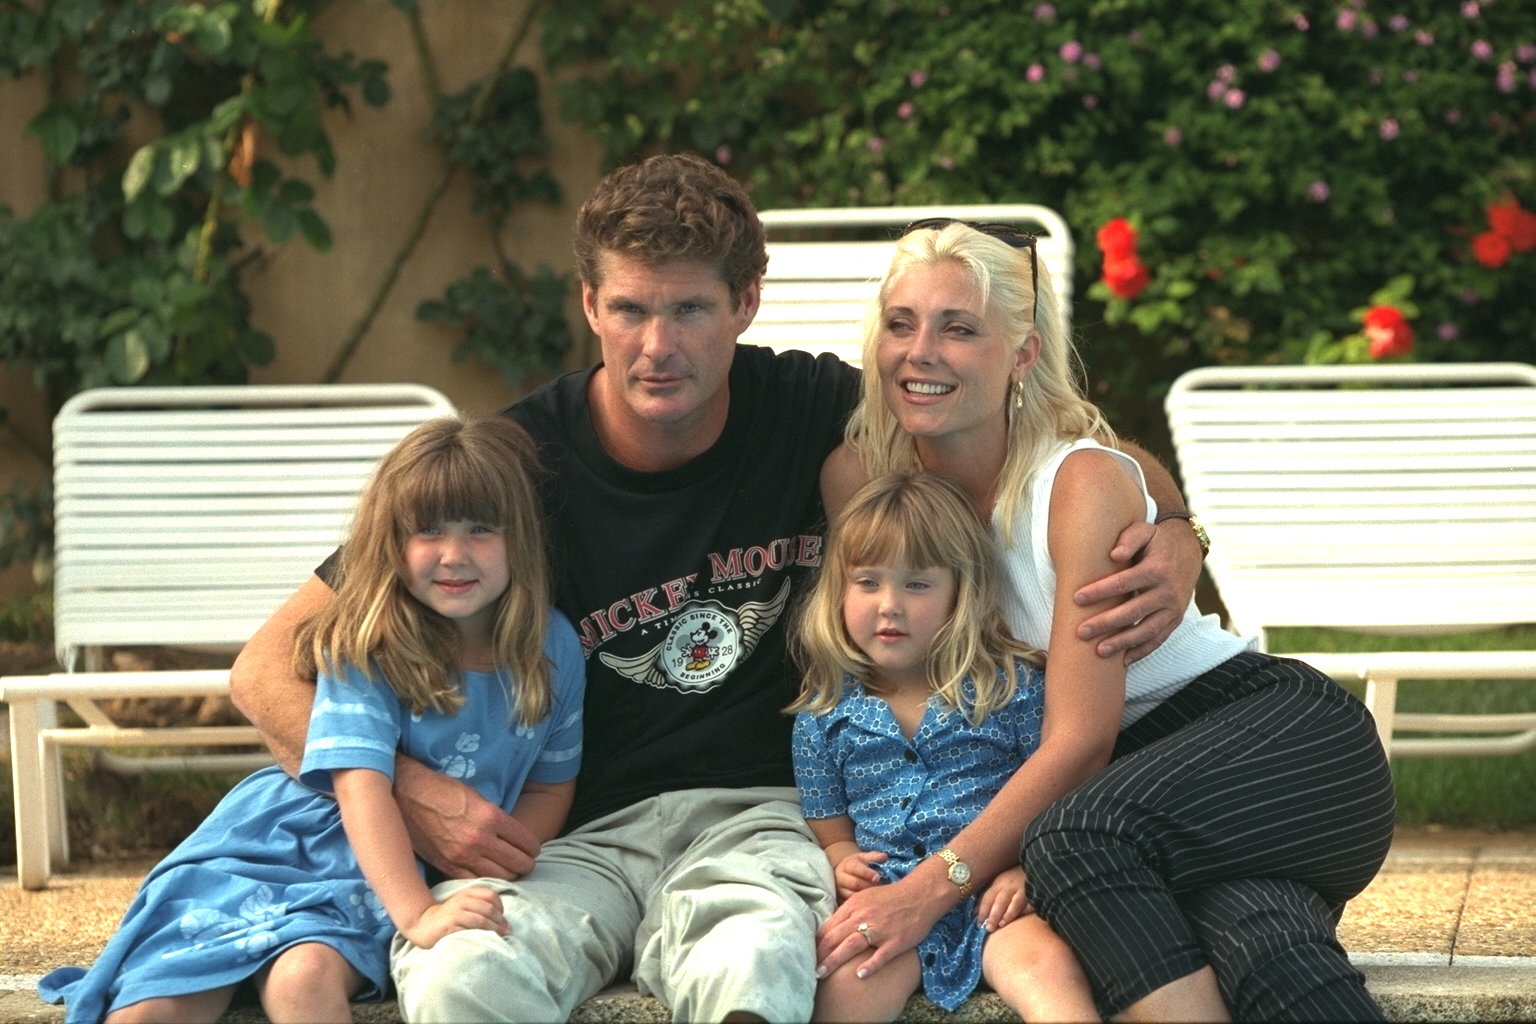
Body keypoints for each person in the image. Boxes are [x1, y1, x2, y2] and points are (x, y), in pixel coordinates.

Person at [229, 153, 1204, 1022]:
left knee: (759, 963)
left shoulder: (815, 408)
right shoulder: (511, 465)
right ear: (588, 305)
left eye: (690, 308)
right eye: (630, 309)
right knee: (457, 975)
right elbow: (265, 669)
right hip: (567, 834)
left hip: (763, 817)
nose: (658, 345)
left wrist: (1173, 530)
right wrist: (416, 790)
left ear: (746, 300)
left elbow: (1059, 443)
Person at [816, 219, 1397, 1021]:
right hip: (1144, 794)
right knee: (1260, 940)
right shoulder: (866, 481)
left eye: (960, 329)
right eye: (901, 323)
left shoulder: (1075, 484)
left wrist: (926, 892)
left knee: (1071, 843)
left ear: (1022, 353)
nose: (921, 351)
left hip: (1277, 744)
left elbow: (1080, 742)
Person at [40, 415, 584, 1023]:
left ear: (523, 539)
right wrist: (419, 914)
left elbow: (548, 783)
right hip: (284, 847)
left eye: (482, 529)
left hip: (381, 878)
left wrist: (496, 865)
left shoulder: (551, 650)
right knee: (154, 1008)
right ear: (390, 541)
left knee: (304, 979)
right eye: (427, 530)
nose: (454, 555)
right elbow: (361, 788)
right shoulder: (374, 641)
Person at [790, 470, 1097, 1022]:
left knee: (1045, 968)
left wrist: (1029, 868)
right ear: (837, 590)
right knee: (846, 984)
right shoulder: (824, 712)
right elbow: (827, 816)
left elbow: (1057, 794)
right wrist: (840, 859)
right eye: (867, 582)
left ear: (962, 591)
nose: (889, 605)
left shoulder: (1010, 688)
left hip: (995, 898)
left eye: (917, 584)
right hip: (887, 899)